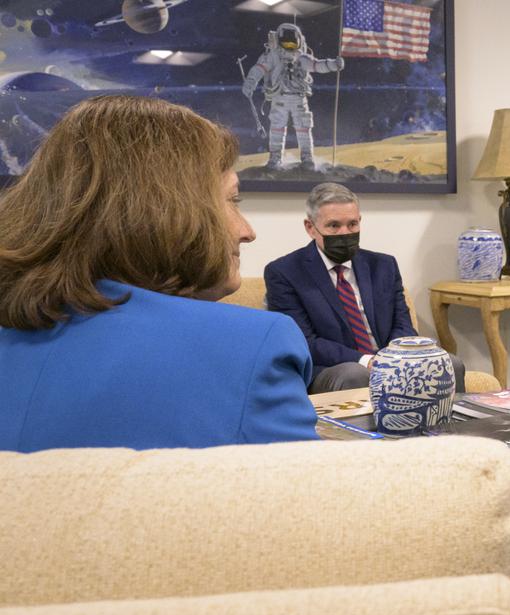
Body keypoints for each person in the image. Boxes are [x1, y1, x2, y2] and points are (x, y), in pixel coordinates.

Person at [0, 95, 319, 452]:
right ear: (167, 211)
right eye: (232, 200)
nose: (247, 231)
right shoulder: (254, 348)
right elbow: (303, 501)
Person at [264, 182, 464, 394]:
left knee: (451, 364)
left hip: (389, 360)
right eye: (333, 226)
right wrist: (366, 360)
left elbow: (403, 325)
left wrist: (390, 359)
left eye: (352, 225)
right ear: (310, 227)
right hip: (331, 368)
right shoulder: (284, 272)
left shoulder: (384, 265)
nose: (345, 233)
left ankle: (453, 428)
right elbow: (305, 342)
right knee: (355, 374)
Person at [241, 22, 343, 172]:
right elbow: (258, 69)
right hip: (279, 98)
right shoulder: (273, 56)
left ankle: (307, 158)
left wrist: (333, 64)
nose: (289, 45)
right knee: (277, 129)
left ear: (299, 41)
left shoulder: (301, 58)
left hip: (298, 99)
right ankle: (275, 158)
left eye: (292, 42)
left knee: (303, 129)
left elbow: (317, 65)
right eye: (286, 42)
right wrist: (250, 83)